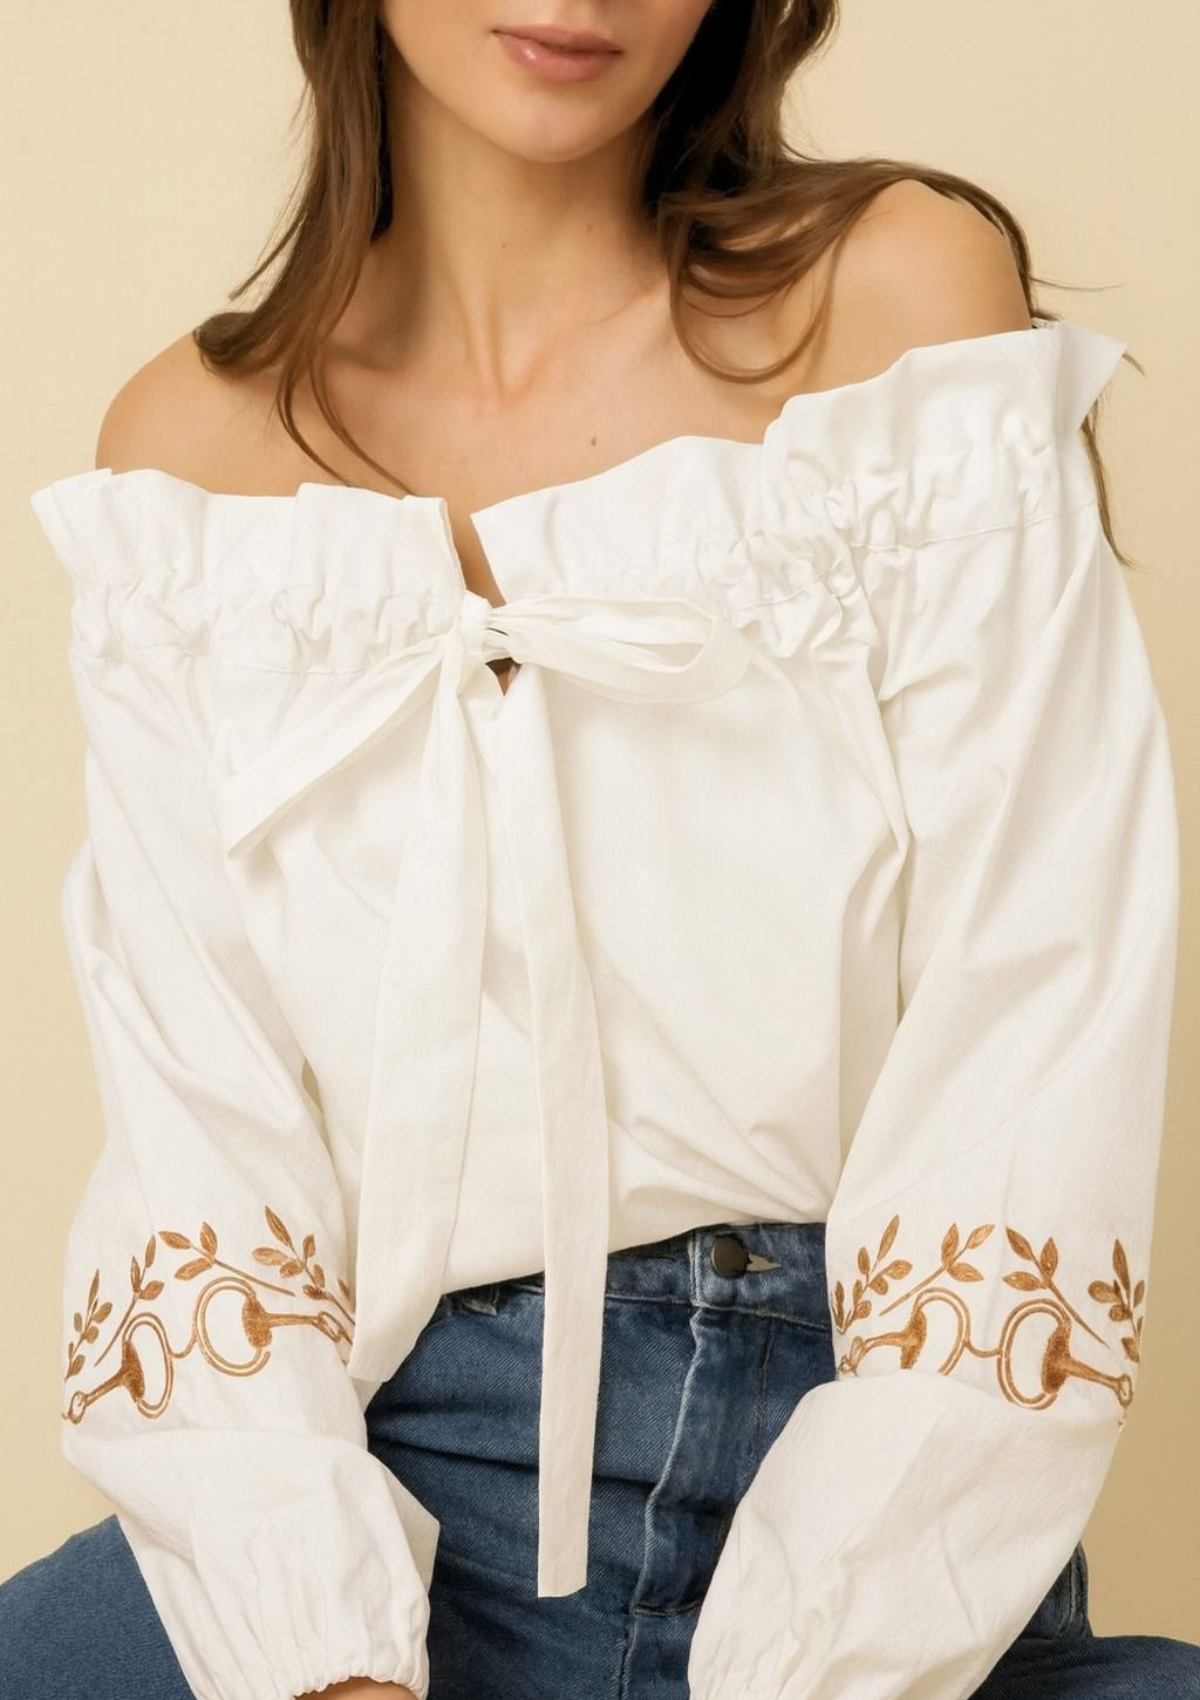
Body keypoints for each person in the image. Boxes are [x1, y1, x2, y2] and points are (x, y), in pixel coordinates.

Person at [6, 3, 1198, 1699]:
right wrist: (323, 1665)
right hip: (364, 1536)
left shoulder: (904, 309)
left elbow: (1036, 1022)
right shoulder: (189, 470)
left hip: (888, 1536)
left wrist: (836, 1661)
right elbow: (202, 1153)